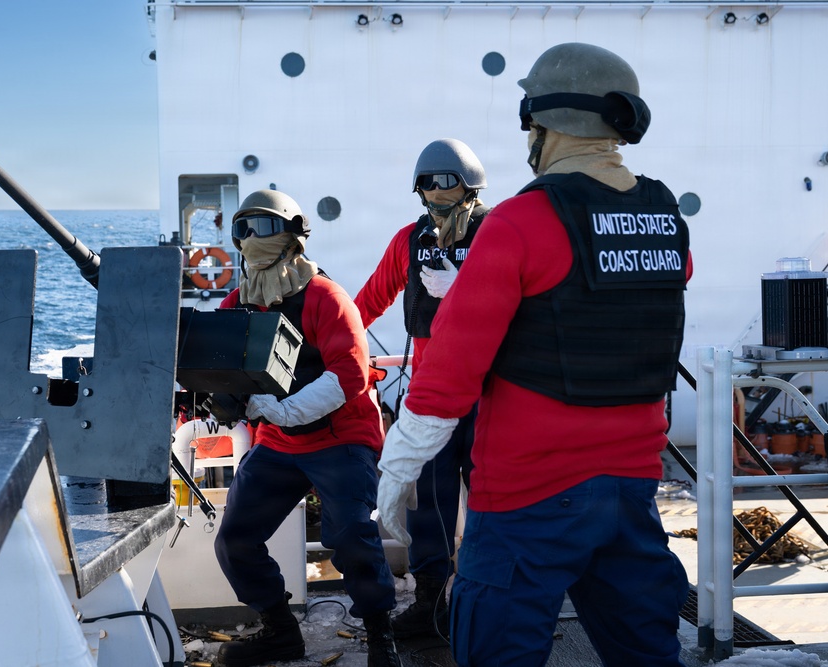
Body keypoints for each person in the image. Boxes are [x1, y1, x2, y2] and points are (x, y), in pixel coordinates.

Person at [376, 43, 693, 666]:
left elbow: (448, 373)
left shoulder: (522, 221)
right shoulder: (665, 218)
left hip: (529, 500)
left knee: (495, 649)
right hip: (630, 491)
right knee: (647, 654)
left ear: (541, 122)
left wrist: (396, 469)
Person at [213, 189, 402, 667]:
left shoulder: (326, 298)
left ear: (294, 235)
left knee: (353, 535)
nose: (254, 240)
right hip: (279, 445)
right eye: (244, 230)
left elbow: (349, 377)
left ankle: (382, 635)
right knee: (235, 538)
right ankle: (280, 631)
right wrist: (218, 391)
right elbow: (217, 360)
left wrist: (275, 410)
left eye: (266, 228)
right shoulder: (240, 302)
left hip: (341, 438)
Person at [353, 138, 489, 639]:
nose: (436, 192)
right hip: (432, 392)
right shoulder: (410, 241)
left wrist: (467, 287)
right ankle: (433, 603)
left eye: (447, 181)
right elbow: (370, 299)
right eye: (428, 183)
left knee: (494, 496)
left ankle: (496, 597)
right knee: (430, 499)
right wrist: (328, 343)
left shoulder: (498, 233)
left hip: (489, 391)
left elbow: (529, 299)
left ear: (470, 184)